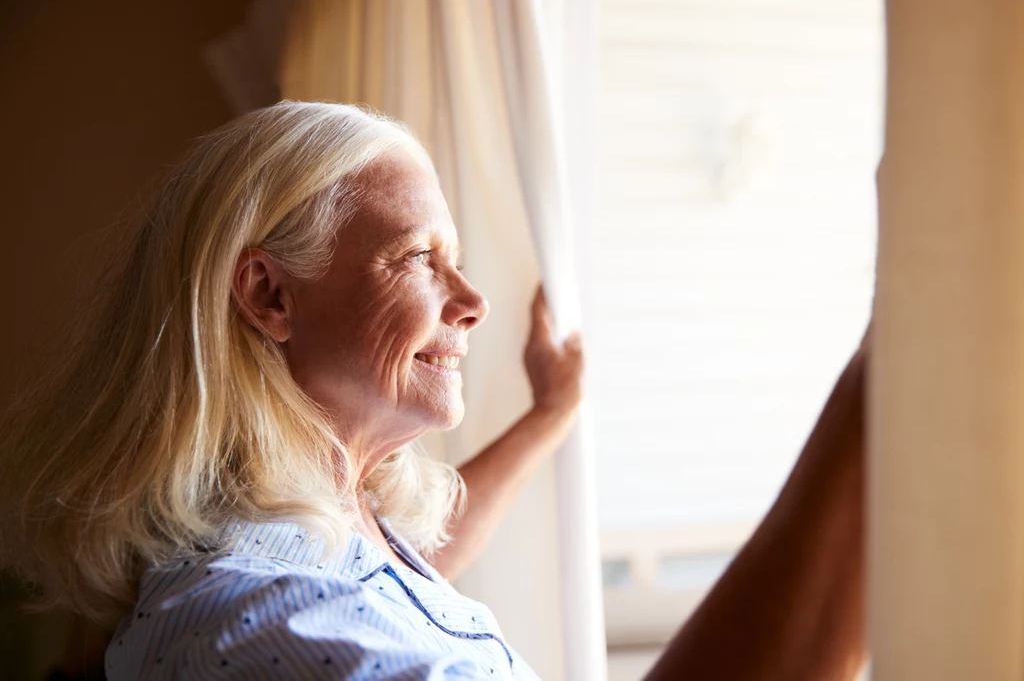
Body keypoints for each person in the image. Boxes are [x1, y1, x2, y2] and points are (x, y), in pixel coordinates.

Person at [0, 101, 866, 680]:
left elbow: (404, 576)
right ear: (269, 295)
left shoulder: (326, 543)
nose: (474, 300)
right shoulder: (254, 618)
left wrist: (550, 416)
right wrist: (882, 393)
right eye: (420, 257)